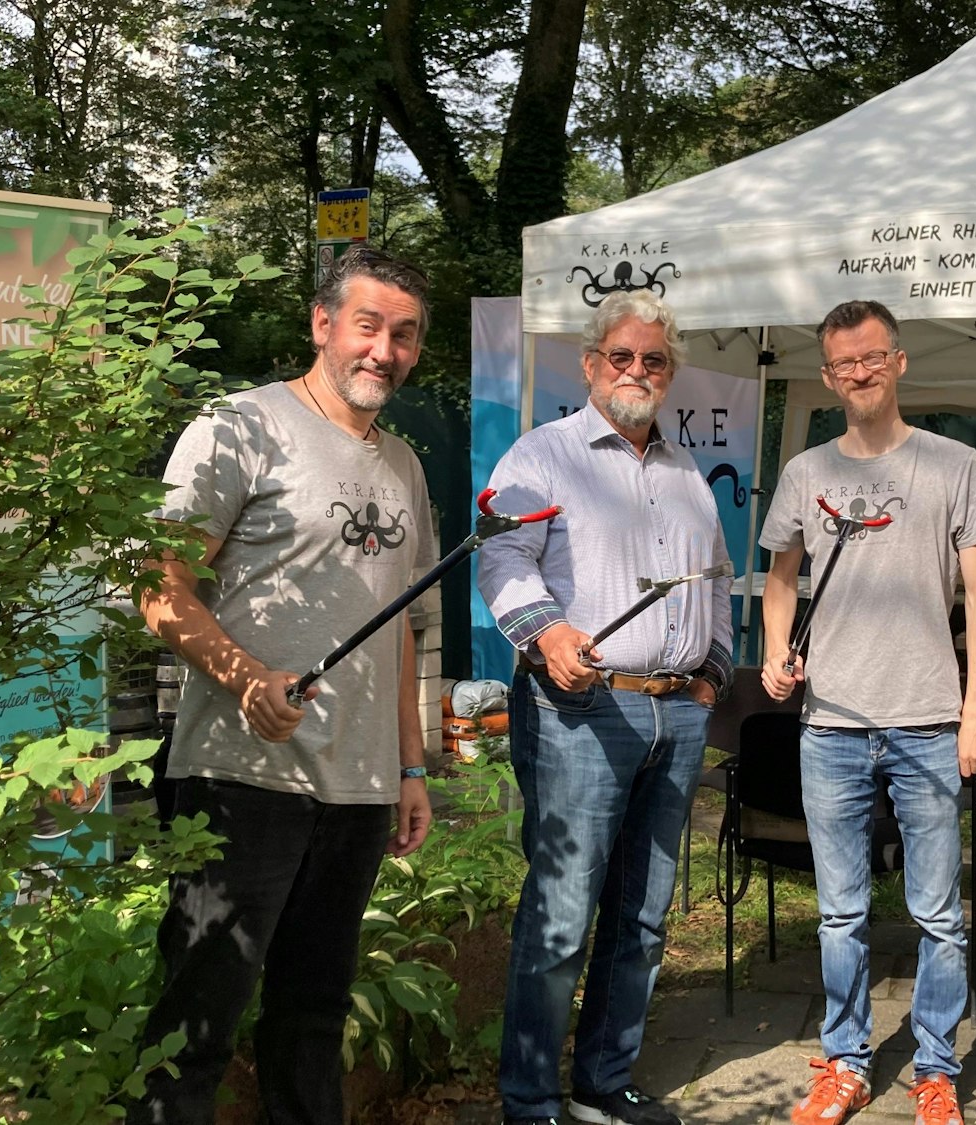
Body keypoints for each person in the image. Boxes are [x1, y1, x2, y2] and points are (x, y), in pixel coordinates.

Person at [129, 246, 439, 1125]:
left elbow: (400, 627)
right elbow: (158, 587)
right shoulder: (239, 427)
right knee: (197, 1017)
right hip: (242, 776)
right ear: (322, 323)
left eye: (404, 335)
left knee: (313, 1014)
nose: (384, 350)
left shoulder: (405, 465)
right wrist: (245, 676)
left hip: (359, 787)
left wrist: (410, 766)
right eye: (368, 326)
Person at [477, 289, 733, 1125]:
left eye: (653, 359)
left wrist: (712, 675)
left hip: (677, 714)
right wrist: (547, 634)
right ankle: (529, 1101)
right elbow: (503, 559)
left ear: (670, 373)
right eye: (620, 356)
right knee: (561, 917)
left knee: (644, 917)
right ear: (590, 365)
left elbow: (717, 579)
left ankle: (602, 1084)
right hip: (580, 711)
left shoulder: (686, 472)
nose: (636, 370)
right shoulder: (542, 455)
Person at [760, 299, 976, 1125]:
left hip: (929, 721)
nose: (859, 373)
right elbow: (781, 579)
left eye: (872, 357)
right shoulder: (807, 472)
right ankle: (846, 1062)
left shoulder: (954, 464)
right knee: (841, 911)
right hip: (829, 723)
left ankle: (936, 1069)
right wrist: (776, 648)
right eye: (843, 363)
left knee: (939, 915)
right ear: (828, 377)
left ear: (898, 361)